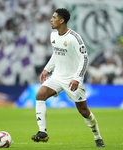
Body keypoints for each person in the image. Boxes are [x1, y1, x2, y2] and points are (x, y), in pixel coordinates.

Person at [31, 8, 105, 147]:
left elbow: (84, 58)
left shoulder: (74, 38)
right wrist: (47, 69)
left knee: (84, 111)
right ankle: (43, 132)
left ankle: (97, 136)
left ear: (61, 20)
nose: (51, 20)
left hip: (72, 79)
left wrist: (77, 78)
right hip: (57, 76)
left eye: (53, 17)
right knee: (40, 95)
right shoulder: (53, 35)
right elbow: (56, 53)